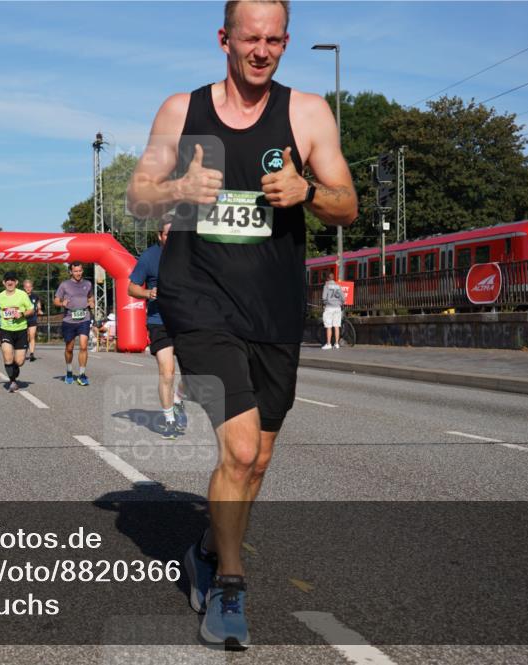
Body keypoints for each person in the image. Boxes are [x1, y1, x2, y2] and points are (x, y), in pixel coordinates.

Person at [125, 0, 357, 648]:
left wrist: (308, 192)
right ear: (223, 38)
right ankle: (230, 585)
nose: (261, 51)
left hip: (274, 308)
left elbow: (349, 203)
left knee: (258, 462)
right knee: (242, 448)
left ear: (286, 41)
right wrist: (177, 189)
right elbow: (138, 192)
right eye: (249, 39)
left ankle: (206, 545)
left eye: (274, 40)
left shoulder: (307, 113)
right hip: (197, 299)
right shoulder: (182, 110)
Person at [128, 214, 188, 439]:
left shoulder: (189, 254)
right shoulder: (149, 257)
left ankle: (178, 399)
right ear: (159, 235)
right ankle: (169, 420)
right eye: (167, 234)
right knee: (167, 372)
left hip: (185, 321)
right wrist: (148, 292)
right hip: (159, 322)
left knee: (194, 373)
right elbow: (131, 288)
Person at [0, 271, 35, 393]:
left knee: (20, 361)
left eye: (12, 280)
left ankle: (14, 369)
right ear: (4, 282)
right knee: (7, 357)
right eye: (7, 280)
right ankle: (12, 381)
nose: (10, 282)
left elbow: (31, 310)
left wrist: (21, 314)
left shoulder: (22, 295)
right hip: (6, 330)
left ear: (16, 282)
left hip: (21, 330)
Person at [53, 261, 94, 385]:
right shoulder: (64, 285)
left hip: (84, 318)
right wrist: (61, 304)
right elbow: (56, 301)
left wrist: (91, 303)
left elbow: (90, 297)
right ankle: (69, 371)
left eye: (80, 271)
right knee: (69, 348)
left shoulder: (88, 284)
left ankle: (82, 374)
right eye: (75, 271)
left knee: (83, 346)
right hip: (69, 320)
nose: (78, 273)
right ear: (71, 272)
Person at [321, 273, 344, 349]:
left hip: (329, 308)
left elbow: (324, 298)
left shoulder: (326, 286)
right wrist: (340, 304)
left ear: (327, 278)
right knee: (337, 326)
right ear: (333, 278)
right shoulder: (338, 286)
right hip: (337, 308)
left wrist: (324, 304)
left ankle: (328, 344)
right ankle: (337, 344)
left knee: (329, 326)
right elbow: (343, 298)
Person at [23, 279, 44, 361]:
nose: (28, 288)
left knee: (32, 335)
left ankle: (32, 353)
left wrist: (39, 310)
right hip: (23, 319)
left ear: (32, 287)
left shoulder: (35, 296)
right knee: (25, 337)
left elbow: (38, 305)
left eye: (30, 287)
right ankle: (24, 352)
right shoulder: (22, 296)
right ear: (24, 288)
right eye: (26, 287)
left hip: (33, 318)